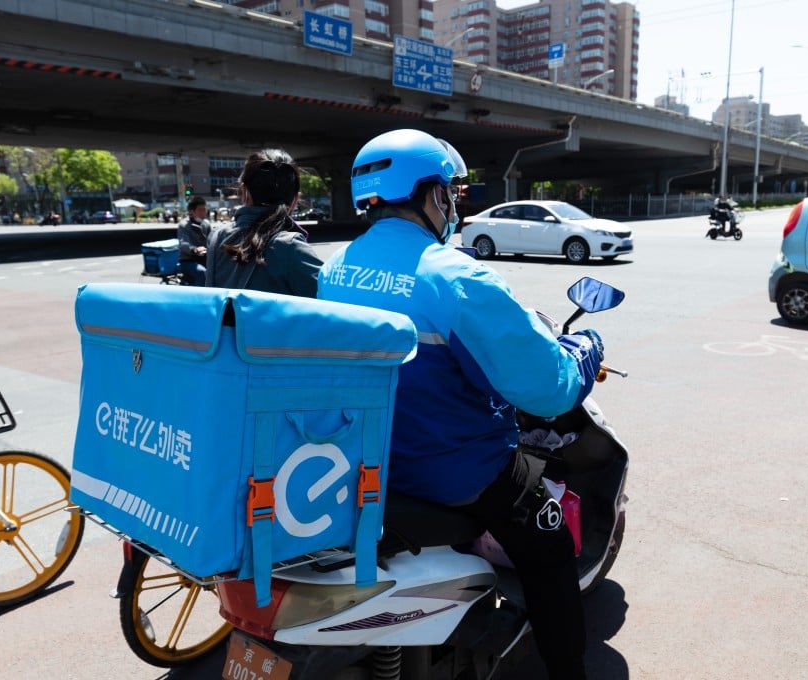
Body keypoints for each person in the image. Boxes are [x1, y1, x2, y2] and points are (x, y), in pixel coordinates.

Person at [317, 129, 605, 680]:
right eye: (451, 191)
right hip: (453, 472)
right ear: (432, 193)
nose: (453, 203)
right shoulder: (455, 275)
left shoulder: (336, 268)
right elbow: (547, 388)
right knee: (548, 549)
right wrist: (587, 351)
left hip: (364, 465)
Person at [206, 149, 322, 296]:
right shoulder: (291, 246)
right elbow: (332, 298)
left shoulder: (216, 237)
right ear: (295, 200)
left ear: (244, 193)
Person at [176, 196, 212, 286]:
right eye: (200, 210)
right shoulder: (184, 225)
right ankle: (200, 294)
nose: (204, 212)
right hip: (188, 260)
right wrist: (194, 249)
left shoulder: (206, 224)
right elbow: (184, 244)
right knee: (202, 272)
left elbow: (212, 240)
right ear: (192, 211)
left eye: (204, 209)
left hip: (205, 258)